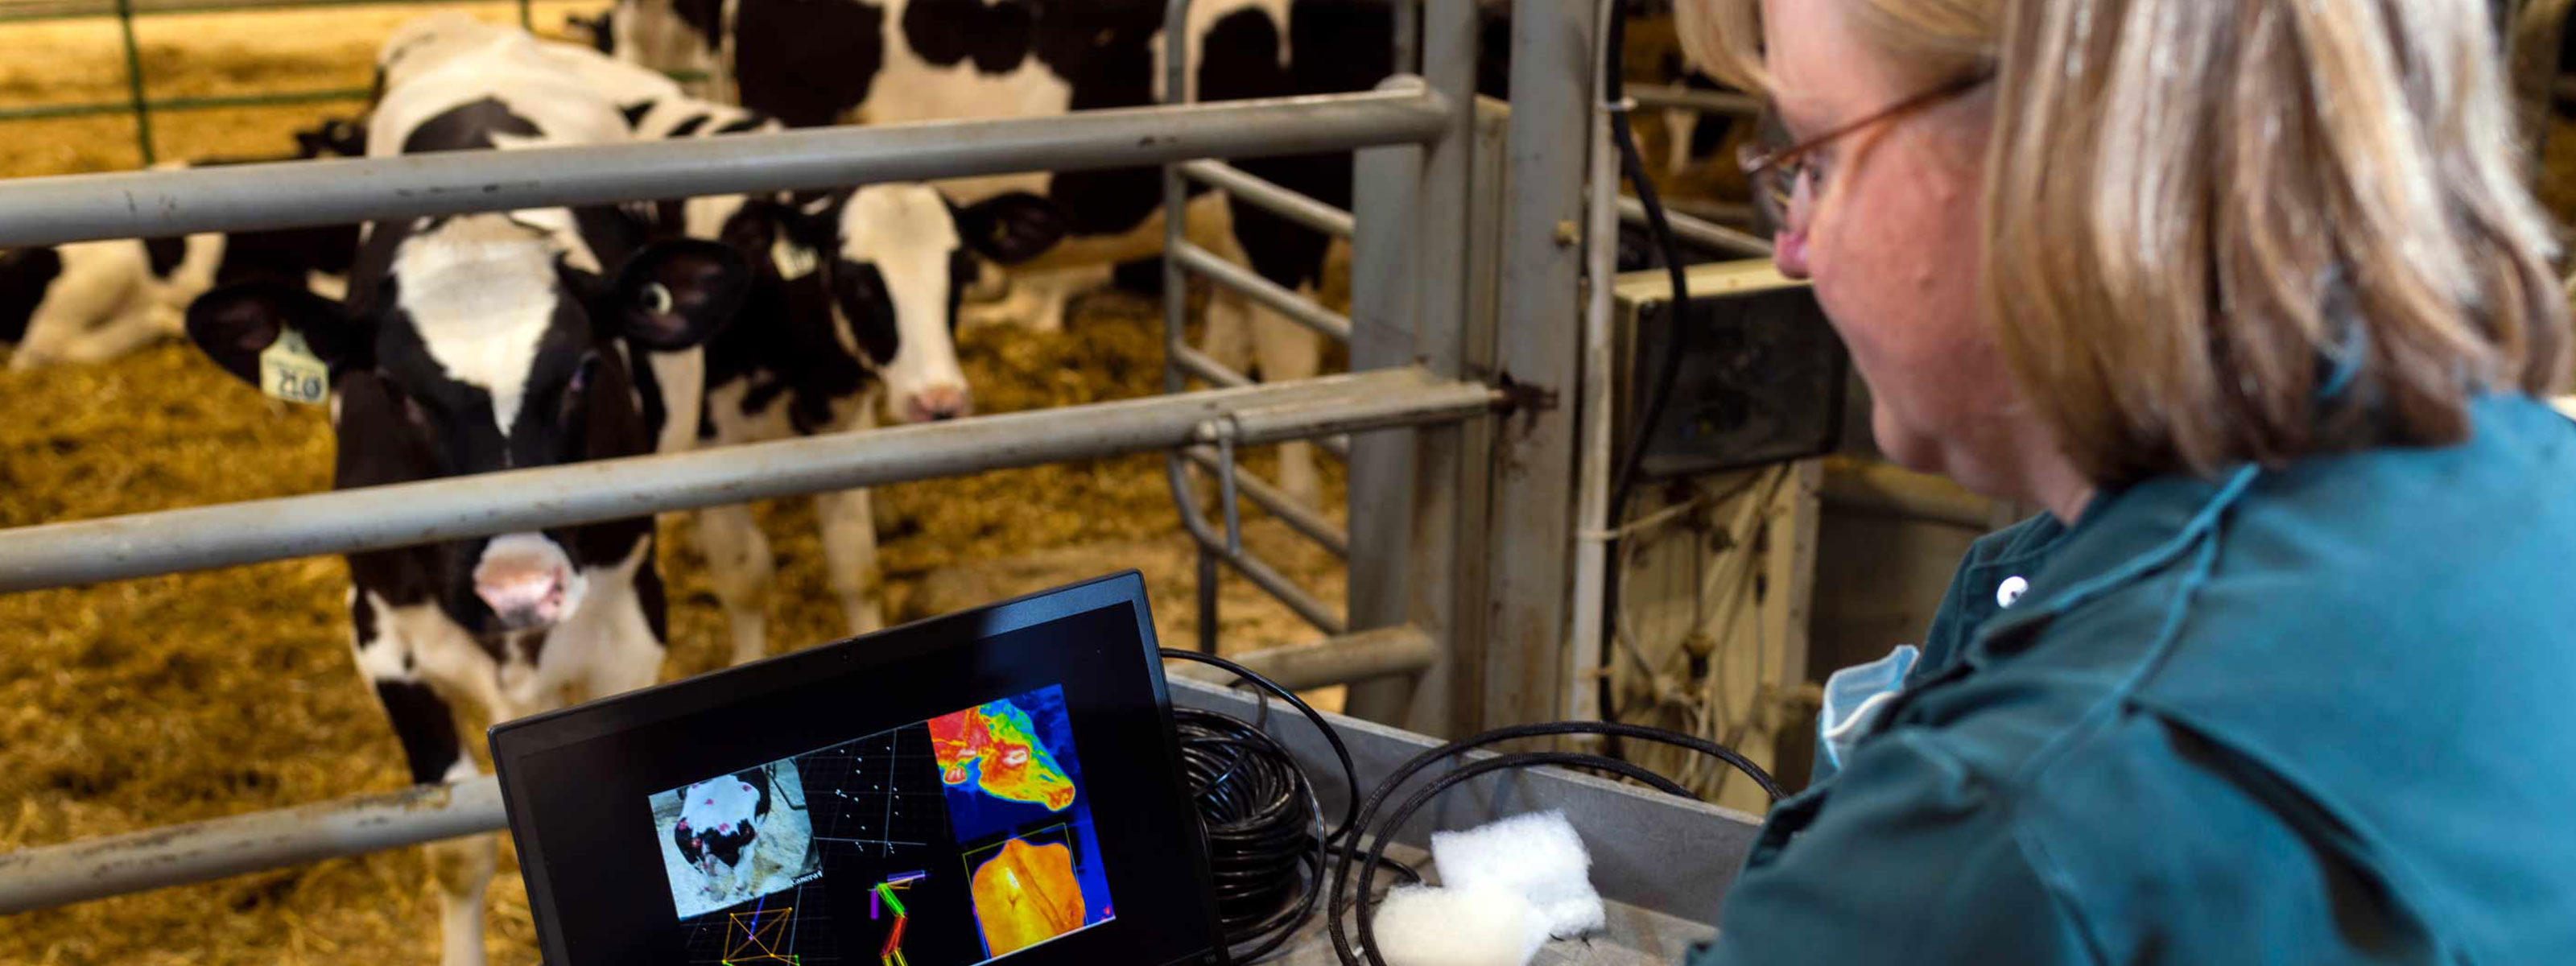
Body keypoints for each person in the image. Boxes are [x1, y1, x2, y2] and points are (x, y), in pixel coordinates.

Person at [1680, 0, 2576, 962]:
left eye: (1811, 159)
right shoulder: (2531, 490)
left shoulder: (2004, 835)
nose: (1792, 245)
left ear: (2055, 158)